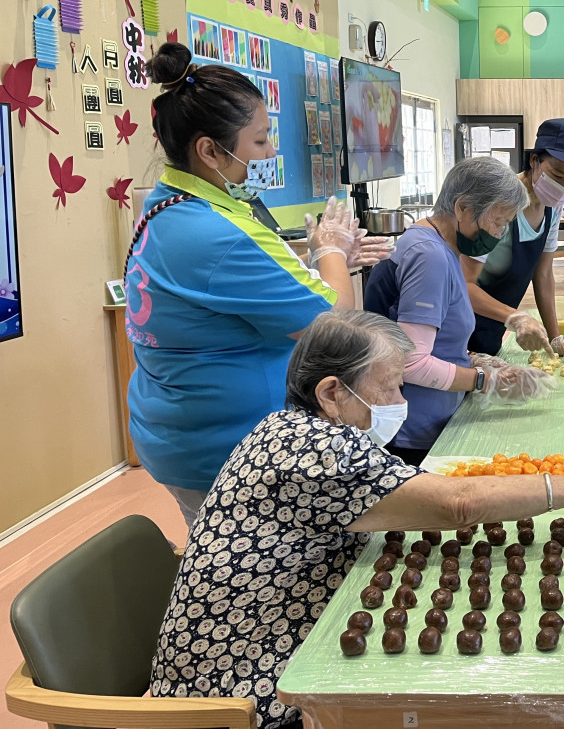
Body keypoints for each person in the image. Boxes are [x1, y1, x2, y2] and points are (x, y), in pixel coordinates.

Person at [151, 310, 564, 729]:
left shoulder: (290, 427)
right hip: (245, 691)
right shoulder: (319, 456)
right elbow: (457, 505)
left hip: (273, 640)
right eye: (391, 387)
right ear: (332, 393)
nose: (399, 402)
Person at [125, 42, 392, 527]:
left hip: (173, 425)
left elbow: (244, 287)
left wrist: (324, 259)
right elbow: (333, 327)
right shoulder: (217, 235)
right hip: (222, 446)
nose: (271, 153)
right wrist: (331, 249)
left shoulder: (165, 206)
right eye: (261, 140)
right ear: (209, 149)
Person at [364, 157, 555, 464]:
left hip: (428, 417)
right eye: (498, 221)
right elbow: (411, 363)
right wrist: (484, 381)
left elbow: (430, 339)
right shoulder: (430, 257)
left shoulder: (439, 246)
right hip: (412, 430)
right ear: (463, 208)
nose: (499, 234)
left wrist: (478, 360)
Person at [462, 119, 564, 358]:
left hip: (492, 332)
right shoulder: (497, 203)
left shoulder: (552, 207)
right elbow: (463, 285)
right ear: (534, 160)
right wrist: (515, 317)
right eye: (557, 176)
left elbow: (544, 274)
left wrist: (555, 339)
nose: (562, 188)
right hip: (457, 329)